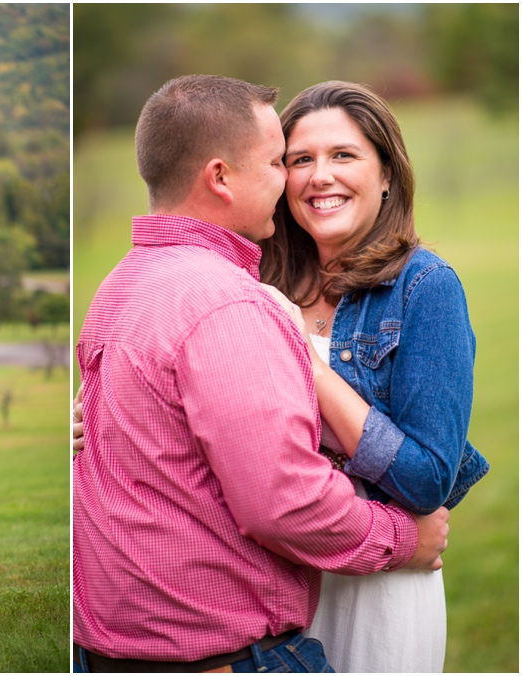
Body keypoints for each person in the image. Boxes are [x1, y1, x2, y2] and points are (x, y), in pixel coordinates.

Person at [72, 75, 451, 673]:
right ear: (220, 177)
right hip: (230, 644)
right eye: (285, 161)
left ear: (386, 173)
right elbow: (283, 503)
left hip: (138, 641)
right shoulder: (232, 300)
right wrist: (406, 540)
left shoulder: (118, 286)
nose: (296, 180)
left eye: (342, 155)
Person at [258, 80, 489, 673]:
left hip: (382, 591)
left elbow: (427, 480)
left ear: (387, 174)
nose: (318, 176)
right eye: (300, 160)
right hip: (270, 585)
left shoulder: (425, 289)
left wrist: (308, 367)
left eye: (343, 155)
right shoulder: (256, 284)